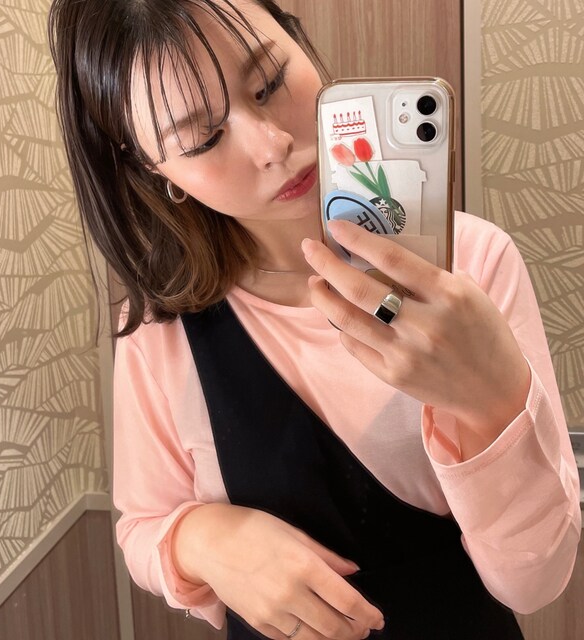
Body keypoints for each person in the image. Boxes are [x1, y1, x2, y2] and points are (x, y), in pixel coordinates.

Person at [48, 1, 581, 638]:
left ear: (300, 41)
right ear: (154, 169)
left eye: (270, 82)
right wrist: (205, 540)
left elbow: (534, 583)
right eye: (203, 138)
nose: (272, 145)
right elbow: (142, 524)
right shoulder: (161, 331)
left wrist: (492, 401)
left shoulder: (473, 264)